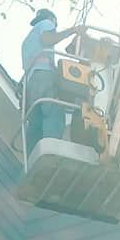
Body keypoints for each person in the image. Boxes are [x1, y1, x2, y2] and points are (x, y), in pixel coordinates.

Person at [21, 9, 81, 155]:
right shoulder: (46, 23)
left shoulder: (27, 41)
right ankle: (52, 151)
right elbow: (48, 39)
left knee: (37, 121)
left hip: (31, 82)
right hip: (44, 75)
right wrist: (74, 30)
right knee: (53, 110)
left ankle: (33, 156)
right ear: (52, 20)